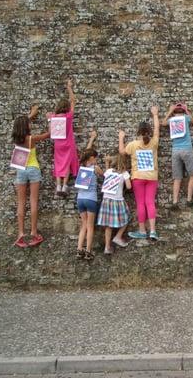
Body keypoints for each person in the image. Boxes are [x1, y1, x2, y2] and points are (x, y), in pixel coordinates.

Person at [119, 106, 160, 243]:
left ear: (138, 132)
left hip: (138, 177)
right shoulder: (154, 142)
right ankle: (153, 231)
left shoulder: (133, 144)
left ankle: (142, 231)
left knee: (140, 204)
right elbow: (157, 129)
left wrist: (121, 138)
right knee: (150, 203)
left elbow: (122, 152)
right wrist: (155, 114)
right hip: (152, 177)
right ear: (149, 132)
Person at [11, 104, 50, 247]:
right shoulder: (31, 138)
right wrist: (50, 119)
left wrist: (30, 115)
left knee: (21, 203)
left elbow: (19, 124)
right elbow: (49, 134)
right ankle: (33, 232)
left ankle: (21, 233)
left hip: (21, 170)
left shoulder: (17, 137)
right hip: (33, 169)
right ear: (26, 126)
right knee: (33, 202)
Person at [161, 102, 193, 209]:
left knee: (177, 178)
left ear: (175, 111)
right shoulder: (186, 118)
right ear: (182, 110)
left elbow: (163, 123)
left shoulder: (171, 120)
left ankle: (175, 202)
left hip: (175, 150)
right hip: (187, 149)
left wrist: (169, 111)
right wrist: (187, 110)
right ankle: (189, 199)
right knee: (192, 175)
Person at [48, 78, 80, 197]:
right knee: (66, 164)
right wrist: (69, 87)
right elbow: (73, 100)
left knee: (58, 162)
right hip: (69, 144)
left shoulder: (53, 117)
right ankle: (65, 185)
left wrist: (49, 119)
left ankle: (58, 185)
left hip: (58, 144)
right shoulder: (68, 116)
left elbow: (50, 132)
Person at [97, 153, 132, 255]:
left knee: (108, 225)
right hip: (118, 200)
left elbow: (105, 175)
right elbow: (129, 187)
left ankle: (107, 247)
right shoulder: (124, 173)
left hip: (106, 200)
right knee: (127, 218)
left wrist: (106, 163)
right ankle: (117, 237)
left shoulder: (108, 171)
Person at [76, 131, 103, 261]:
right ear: (91, 158)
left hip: (80, 199)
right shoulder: (95, 168)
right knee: (90, 226)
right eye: (95, 157)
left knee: (83, 225)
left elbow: (85, 152)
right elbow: (104, 175)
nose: (96, 159)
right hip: (91, 199)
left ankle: (79, 248)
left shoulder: (81, 167)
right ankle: (88, 251)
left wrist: (91, 139)